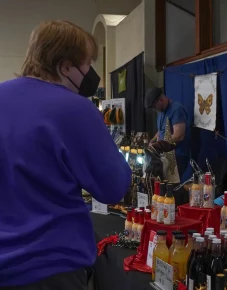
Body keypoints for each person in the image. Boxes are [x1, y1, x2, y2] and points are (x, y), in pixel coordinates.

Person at [0, 21, 132, 289]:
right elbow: (114, 188)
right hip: (51, 265)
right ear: (65, 66)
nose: (90, 75)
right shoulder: (76, 109)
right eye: (86, 65)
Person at [145, 88, 190, 183]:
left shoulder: (176, 109)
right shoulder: (161, 112)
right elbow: (161, 130)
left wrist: (159, 144)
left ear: (161, 100)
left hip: (176, 157)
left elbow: (179, 135)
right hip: (164, 156)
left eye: (154, 106)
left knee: (172, 187)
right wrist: (153, 140)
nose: (154, 109)